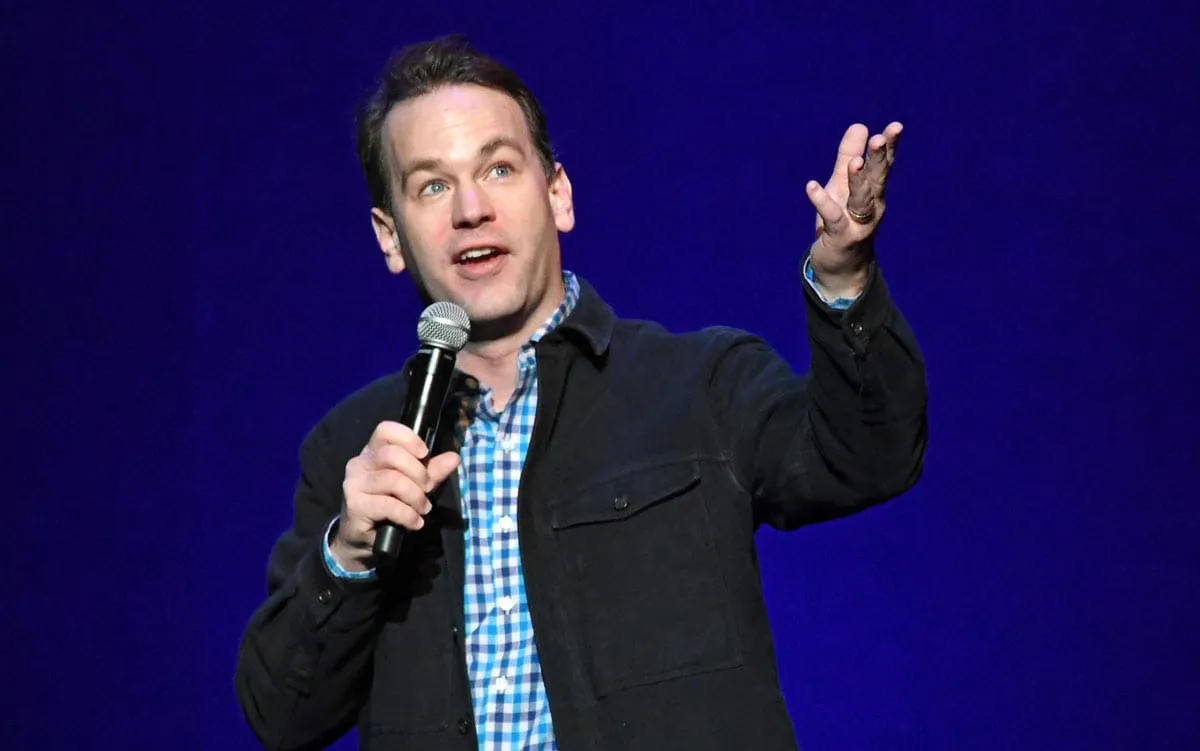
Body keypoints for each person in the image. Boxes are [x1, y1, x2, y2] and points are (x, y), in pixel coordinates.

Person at [234, 33, 927, 751]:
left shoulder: (700, 385)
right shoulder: (353, 449)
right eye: (432, 185)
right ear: (390, 236)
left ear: (557, 194)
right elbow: (282, 715)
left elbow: (871, 455)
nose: (471, 208)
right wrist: (347, 555)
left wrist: (844, 279)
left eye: (498, 167)